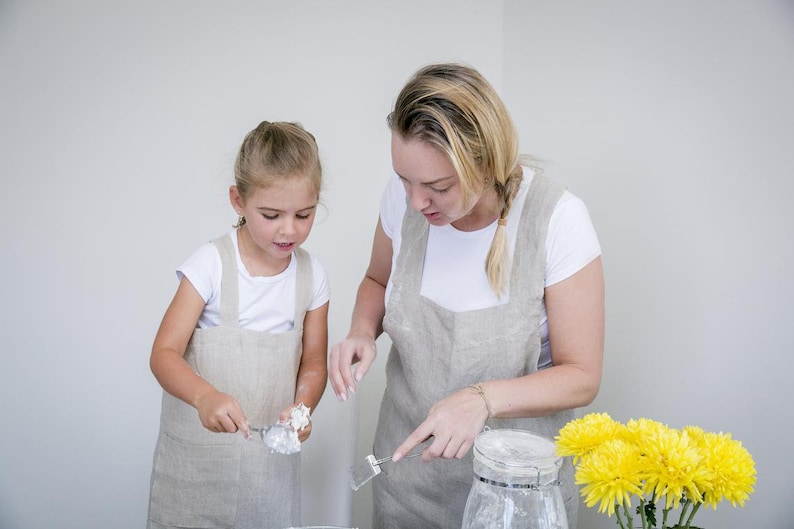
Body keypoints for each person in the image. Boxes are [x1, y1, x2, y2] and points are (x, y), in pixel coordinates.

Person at [328, 63, 604, 529]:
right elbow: (377, 280)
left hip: (515, 498)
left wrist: (482, 398)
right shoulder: (405, 203)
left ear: (485, 163)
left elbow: (581, 376)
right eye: (403, 179)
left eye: (438, 187)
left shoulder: (557, 219)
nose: (416, 202)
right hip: (407, 487)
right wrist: (361, 330)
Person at [147, 121, 330, 529]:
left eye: (304, 214)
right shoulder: (210, 264)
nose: (289, 229)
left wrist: (303, 407)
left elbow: (314, 362)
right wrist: (203, 396)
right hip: (194, 479)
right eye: (271, 214)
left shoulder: (312, 276)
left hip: (268, 485)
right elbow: (163, 354)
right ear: (238, 200)